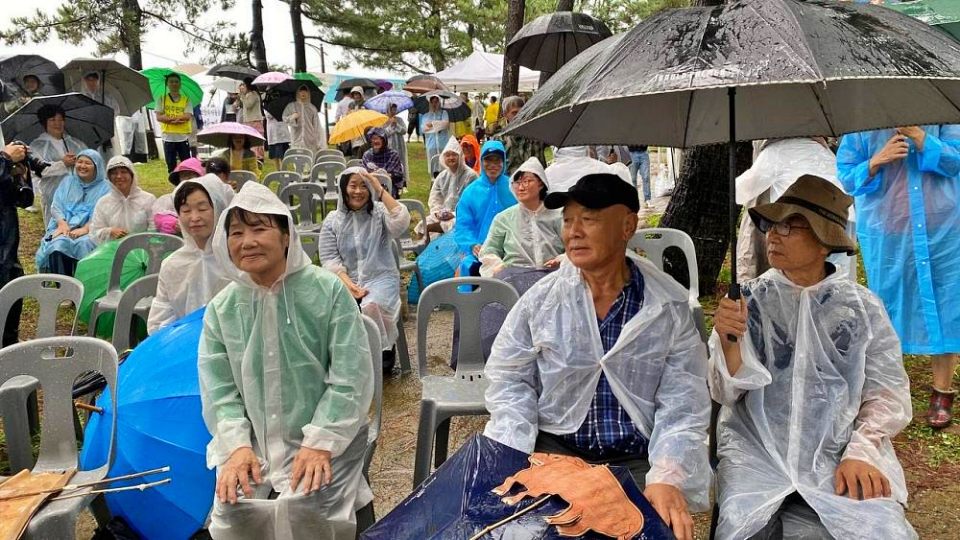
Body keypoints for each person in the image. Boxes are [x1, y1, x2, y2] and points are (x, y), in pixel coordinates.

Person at [483, 170, 710, 540]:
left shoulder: (666, 307)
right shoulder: (541, 301)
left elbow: (683, 402)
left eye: (588, 219)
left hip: (636, 458)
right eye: (568, 220)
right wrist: (511, 448)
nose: (573, 231)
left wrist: (668, 474)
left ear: (627, 226)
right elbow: (511, 378)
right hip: (556, 450)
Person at [710, 175, 916, 540]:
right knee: (744, 531)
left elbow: (887, 393)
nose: (774, 234)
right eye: (773, 224)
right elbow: (726, 394)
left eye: (792, 226)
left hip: (839, 454)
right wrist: (728, 343)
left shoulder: (861, 310)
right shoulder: (750, 302)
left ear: (825, 242)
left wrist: (863, 451)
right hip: (757, 453)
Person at [199, 181, 374, 539]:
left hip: (329, 434)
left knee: (304, 509)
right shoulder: (222, 309)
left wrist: (320, 442)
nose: (247, 242)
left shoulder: (327, 292)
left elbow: (349, 378)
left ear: (285, 236)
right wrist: (237, 445)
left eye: (259, 229)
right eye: (236, 232)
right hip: (256, 443)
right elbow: (220, 390)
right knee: (232, 511)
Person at [837, 125, 960, 429]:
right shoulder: (862, 122)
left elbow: (956, 160)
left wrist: (923, 140)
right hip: (889, 233)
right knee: (888, 306)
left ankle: (942, 392)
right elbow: (846, 177)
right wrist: (876, 161)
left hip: (942, 229)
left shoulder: (941, 113)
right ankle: (889, 390)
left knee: (945, 304)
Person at [318, 168, 411, 373]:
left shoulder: (379, 214)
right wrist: (349, 285)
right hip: (345, 279)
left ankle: (382, 354)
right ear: (344, 188)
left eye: (363, 186)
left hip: (380, 276)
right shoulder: (333, 221)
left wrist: (380, 190)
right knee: (328, 310)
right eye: (353, 185)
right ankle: (345, 361)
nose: (358, 191)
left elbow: (401, 222)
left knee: (371, 306)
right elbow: (330, 259)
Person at [737, 138, 857, 283]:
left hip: (805, 225)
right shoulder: (826, 153)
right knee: (835, 285)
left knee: (796, 286)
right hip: (841, 224)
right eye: (769, 226)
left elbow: (741, 191)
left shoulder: (777, 150)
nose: (771, 237)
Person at [148, 174, 233, 333]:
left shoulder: (236, 259)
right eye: (186, 210)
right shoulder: (172, 265)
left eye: (202, 209)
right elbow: (160, 320)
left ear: (219, 209)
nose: (194, 218)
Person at [478, 157, 563, 279]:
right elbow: (488, 250)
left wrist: (562, 260)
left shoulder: (558, 215)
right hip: (515, 279)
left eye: (527, 181)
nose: (521, 188)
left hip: (554, 277)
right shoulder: (504, 219)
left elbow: (574, 247)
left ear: (540, 183)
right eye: (517, 183)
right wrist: (498, 266)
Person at [35, 149, 111, 276]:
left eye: (88, 163)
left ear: (97, 166)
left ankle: (83, 284)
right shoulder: (68, 182)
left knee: (84, 244)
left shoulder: (106, 187)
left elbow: (102, 213)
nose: (82, 166)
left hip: (92, 228)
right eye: (79, 162)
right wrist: (62, 223)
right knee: (57, 244)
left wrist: (85, 229)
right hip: (64, 225)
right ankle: (62, 285)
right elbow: (56, 205)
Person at [453, 140, 516, 277]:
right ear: (481, 161)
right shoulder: (470, 192)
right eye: (488, 160)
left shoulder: (513, 188)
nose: (493, 165)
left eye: (497, 160)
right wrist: (472, 244)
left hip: (511, 250)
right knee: (467, 268)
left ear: (503, 161)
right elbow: (463, 226)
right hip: (480, 252)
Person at [30, 104, 88, 219]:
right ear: (44, 122)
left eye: (61, 119)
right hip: (52, 197)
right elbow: (40, 170)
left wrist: (79, 163)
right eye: (52, 120)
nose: (58, 123)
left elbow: (90, 162)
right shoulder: (37, 146)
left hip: (78, 196)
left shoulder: (75, 143)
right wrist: (63, 164)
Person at [0, 142, 33, 345]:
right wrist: (5, 159)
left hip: (7, 246)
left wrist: (20, 174)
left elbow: (24, 199)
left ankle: (9, 347)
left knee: (11, 294)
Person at [89, 156, 156, 244]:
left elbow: (155, 229)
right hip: (113, 252)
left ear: (132, 175)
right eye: (114, 173)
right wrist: (110, 231)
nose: (119, 176)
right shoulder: (103, 203)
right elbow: (94, 232)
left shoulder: (148, 199)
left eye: (123, 172)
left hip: (143, 250)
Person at [423, 137, 478, 235]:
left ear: (460, 156)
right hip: (443, 214)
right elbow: (435, 197)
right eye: (447, 155)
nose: (451, 158)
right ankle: (423, 250)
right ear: (443, 158)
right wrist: (437, 212)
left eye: (454, 155)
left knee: (436, 227)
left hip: (463, 216)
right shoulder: (442, 176)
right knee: (423, 226)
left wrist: (453, 214)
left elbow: (473, 203)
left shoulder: (471, 175)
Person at [492, 96, 546, 175]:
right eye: (515, 113)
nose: (519, 115)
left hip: (535, 183)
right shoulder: (499, 139)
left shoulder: (536, 135)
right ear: (505, 114)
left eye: (522, 112)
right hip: (509, 184)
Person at [153, 157, 205, 234]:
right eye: (184, 175)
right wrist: (173, 224)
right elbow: (159, 217)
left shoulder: (208, 200)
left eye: (192, 175)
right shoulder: (167, 199)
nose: (188, 179)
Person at [155, 73, 194, 174]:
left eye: (176, 82)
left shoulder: (186, 100)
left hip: (183, 137)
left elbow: (187, 116)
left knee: (186, 165)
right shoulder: (161, 99)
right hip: (168, 137)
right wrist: (175, 120)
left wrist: (169, 119)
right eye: (171, 82)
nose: (174, 84)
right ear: (167, 84)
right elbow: (159, 117)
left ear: (180, 84)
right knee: (171, 165)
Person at [360, 128, 405, 197]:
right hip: (370, 186)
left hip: (389, 187)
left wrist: (384, 176)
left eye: (379, 138)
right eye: (373, 139)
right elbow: (362, 173)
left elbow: (398, 175)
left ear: (384, 140)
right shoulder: (367, 154)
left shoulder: (393, 154)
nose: (376, 141)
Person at [282, 85, 326, 154]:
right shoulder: (291, 106)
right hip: (297, 137)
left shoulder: (312, 108)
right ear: (297, 93)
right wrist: (292, 117)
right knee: (298, 159)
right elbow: (284, 118)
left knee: (310, 159)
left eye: (305, 91)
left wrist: (319, 142)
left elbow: (316, 126)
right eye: (301, 91)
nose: (303, 93)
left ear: (308, 93)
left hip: (310, 139)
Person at [420, 95, 451, 178]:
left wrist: (432, 124)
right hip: (431, 144)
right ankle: (433, 182)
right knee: (433, 165)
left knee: (444, 164)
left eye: (436, 102)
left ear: (439, 102)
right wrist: (437, 125)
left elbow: (445, 124)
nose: (434, 104)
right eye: (432, 102)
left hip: (443, 143)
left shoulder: (444, 113)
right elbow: (424, 129)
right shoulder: (426, 116)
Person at [234, 79, 265, 160]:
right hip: (248, 121)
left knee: (256, 142)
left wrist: (242, 96)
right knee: (250, 142)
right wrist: (239, 97)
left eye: (244, 85)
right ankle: (252, 158)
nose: (242, 87)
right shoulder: (246, 95)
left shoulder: (253, 94)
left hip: (254, 121)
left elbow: (248, 105)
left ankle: (258, 158)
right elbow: (238, 106)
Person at [382, 103, 408, 188]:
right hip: (389, 145)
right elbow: (384, 134)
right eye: (392, 109)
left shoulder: (399, 119)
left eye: (395, 110)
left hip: (399, 144)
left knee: (401, 161)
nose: (394, 112)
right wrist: (391, 125)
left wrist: (396, 125)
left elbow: (404, 131)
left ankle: (402, 180)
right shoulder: (383, 120)